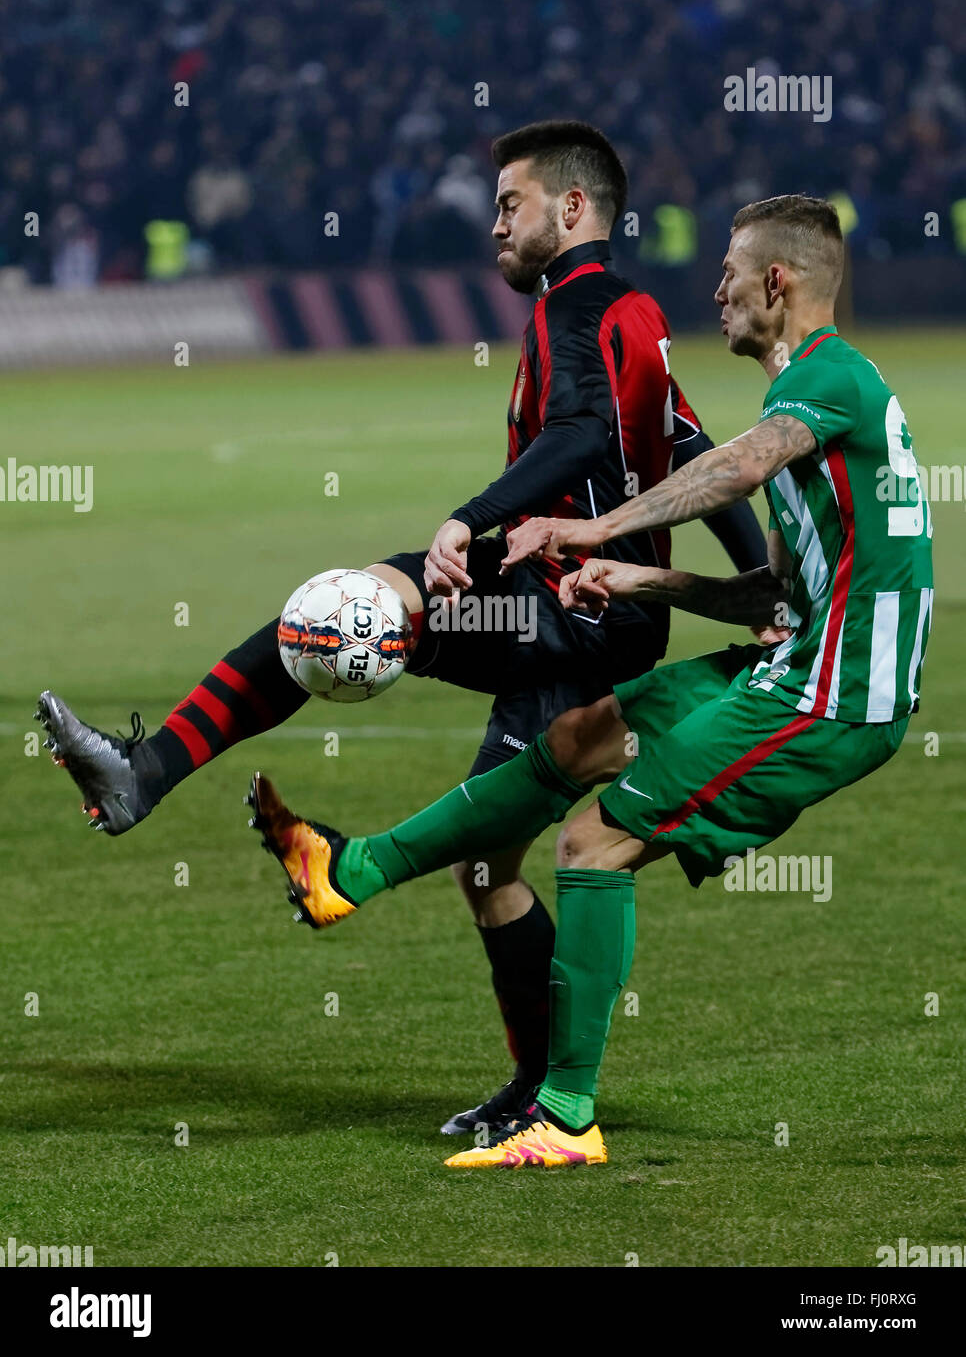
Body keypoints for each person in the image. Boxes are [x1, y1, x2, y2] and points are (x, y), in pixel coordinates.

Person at [37, 121, 764, 1139]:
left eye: (510, 204)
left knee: (356, 609)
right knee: (487, 867)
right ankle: (536, 1090)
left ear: (572, 209)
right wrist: (761, 579)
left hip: (568, 608)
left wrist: (469, 521)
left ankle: (154, 775)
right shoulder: (631, 315)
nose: (494, 224)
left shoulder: (578, 306)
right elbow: (694, 445)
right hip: (583, 608)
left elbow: (581, 435)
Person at [247, 194, 933, 1167]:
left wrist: (596, 528)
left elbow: (734, 469)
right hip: (798, 659)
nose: (717, 288)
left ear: (777, 284)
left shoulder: (826, 385)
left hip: (835, 699)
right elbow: (768, 594)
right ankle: (344, 873)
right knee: (581, 735)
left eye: (731, 272)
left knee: (591, 840)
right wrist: (641, 575)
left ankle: (566, 1117)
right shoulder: (815, 399)